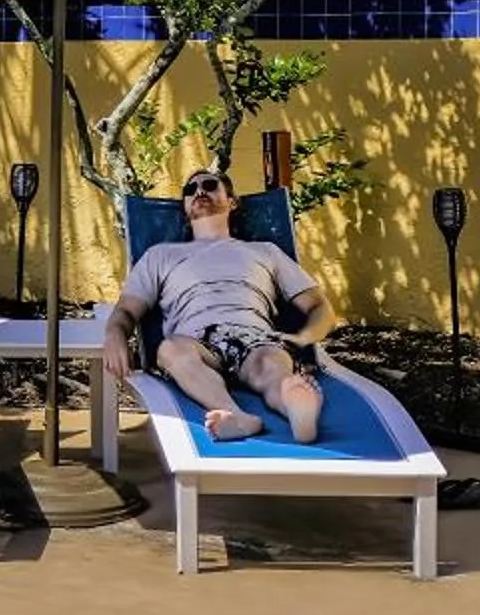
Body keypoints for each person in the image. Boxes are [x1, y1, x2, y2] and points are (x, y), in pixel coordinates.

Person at [99, 167, 335, 444]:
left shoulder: (265, 251)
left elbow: (321, 308)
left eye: (210, 185)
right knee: (169, 349)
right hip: (195, 340)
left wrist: (300, 339)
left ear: (232, 201)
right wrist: (115, 334)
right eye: (190, 190)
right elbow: (127, 310)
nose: (199, 191)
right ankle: (235, 416)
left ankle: (296, 405)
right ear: (185, 207)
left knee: (272, 366)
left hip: (255, 337)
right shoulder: (160, 256)